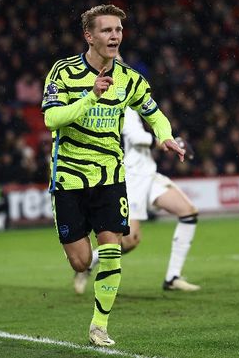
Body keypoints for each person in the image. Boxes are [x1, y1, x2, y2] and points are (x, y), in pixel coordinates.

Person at [41, 4, 184, 347]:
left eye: (118, 29)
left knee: (113, 248)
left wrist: (165, 135)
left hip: (109, 177)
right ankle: (79, 255)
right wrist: (91, 96)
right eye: (106, 30)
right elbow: (52, 119)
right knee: (81, 262)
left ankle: (99, 326)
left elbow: (155, 113)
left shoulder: (129, 78)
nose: (114, 35)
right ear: (88, 36)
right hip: (69, 178)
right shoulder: (63, 72)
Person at [74, 105, 200, 294]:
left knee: (188, 212)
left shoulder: (131, 106)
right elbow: (137, 138)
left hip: (148, 173)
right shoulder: (121, 107)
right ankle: (89, 263)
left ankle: (172, 277)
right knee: (129, 241)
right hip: (132, 178)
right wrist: (168, 143)